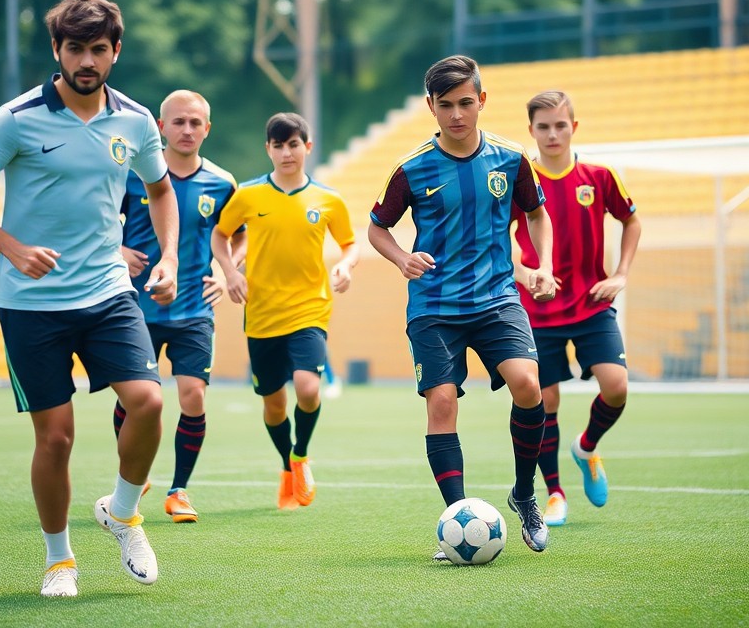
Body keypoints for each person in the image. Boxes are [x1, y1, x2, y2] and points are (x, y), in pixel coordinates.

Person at [0, 0, 179, 597]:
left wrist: (169, 256)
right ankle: (59, 561)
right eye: (75, 47)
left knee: (150, 402)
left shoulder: (133, 119)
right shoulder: (17, 117)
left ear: (115, 52)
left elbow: (160, 190)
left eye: (98, 49)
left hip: (106, 292)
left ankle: (123, 512)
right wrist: (13, 248)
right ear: (56, 49)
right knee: (56, 438)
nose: (87, 60)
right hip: (30, 305)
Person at [367, 55, 558, 559]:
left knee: (528, 385)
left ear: (482, 101)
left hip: (496, 297)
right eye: (446, 105)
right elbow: (377, 228)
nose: (457, 114)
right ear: (430, 106)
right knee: (443, 402)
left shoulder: (511, 159)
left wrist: (542, 264)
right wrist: (402, 259)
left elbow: (538, 215)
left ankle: (523, 494)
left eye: (466, 103)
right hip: (433, 305)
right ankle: (458, 520)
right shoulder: (411, 168)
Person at [211, 112, 358, 510]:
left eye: (294, 144)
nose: (286, 152)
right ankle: (286, 468)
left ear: (307, 147)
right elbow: (221, 234)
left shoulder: (328, 199)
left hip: (310, 309)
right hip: (261, 314)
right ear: (268, 150)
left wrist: (345, 265)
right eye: (278, 145)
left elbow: (349, 243)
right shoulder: (248, 195)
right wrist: (229, 272)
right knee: (274, 404)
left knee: (308, 388)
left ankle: (301, 454)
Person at [110, 89, 245, 523]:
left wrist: (226, 271)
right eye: (178, 122)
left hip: (193, 311)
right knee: (135, 398)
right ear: (161, 127)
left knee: (193, 396)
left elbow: (237, 234)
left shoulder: (223, 183)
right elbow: (100, 220)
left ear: (208, 128)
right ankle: (135, 472)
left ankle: (179, 490)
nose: (187, 130)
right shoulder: (133, 175)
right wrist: (117, 250)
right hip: (134, 308)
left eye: (195, 123)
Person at [511, 90, 640, 527]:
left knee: (617, 386)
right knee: (544, 403)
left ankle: (586, 448)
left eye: (560, 125)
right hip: (537, 310)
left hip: (590, 303)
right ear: (531, 131)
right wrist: (525, 275)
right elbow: (497, 235)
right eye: (543, 126)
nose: (552, 134)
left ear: (574, 127)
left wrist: (619, 274)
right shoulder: (518, 178)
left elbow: (631, 221)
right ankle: (554, 494)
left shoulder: (599, 176)